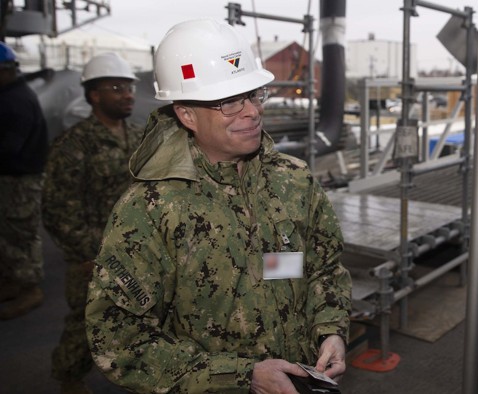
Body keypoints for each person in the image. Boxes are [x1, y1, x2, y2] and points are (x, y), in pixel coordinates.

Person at [84, 18, 352, 393]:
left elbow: (323, 269)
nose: (251, 112)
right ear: (187, 114)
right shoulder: (150, 209)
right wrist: (242, 376)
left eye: (254, 95)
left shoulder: (294, 180)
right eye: (228, 102)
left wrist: (331, 331)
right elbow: (120, 341)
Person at [42, 52, 144, 394]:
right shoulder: (74, 145)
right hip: (93, 255)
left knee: (144, 314)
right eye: (117, 87)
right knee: (88, 320)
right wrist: (94, 253)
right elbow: (58, 210)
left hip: (137, 248)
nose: (127, 94)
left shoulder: (138, 136)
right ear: (94, 95)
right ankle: (69, 376)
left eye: (129, 87)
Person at [0, 41, 49, 320]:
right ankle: (14, 280)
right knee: (9, 233)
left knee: (20, 232)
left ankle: (29, 286)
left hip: (20, 179)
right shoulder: (11, 95)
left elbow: (9, 147)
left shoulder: (15, 101)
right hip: (13, 177)